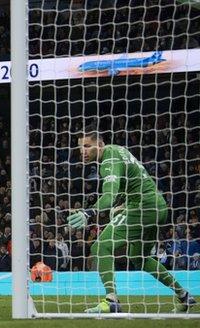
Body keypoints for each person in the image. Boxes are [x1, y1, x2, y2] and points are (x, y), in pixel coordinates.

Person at [67, 124, 195, 313]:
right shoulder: (120, 151)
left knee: (101, 246)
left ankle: (111, 300)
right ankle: (184, 296)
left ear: (100, 144)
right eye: (80, 147)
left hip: (142, 207)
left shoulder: (108, 159)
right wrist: (123, 203)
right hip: (158, 206)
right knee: (140, 258)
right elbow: (133, 182)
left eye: (86, 146)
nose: (82, 151)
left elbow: (109, 195)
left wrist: (89, 212)